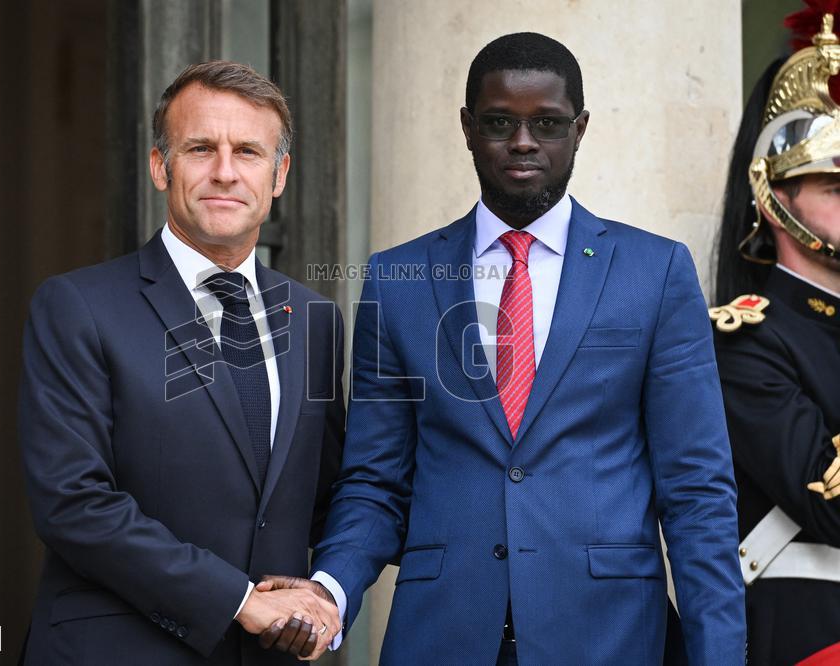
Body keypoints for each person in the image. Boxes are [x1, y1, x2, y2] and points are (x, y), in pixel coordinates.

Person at [261, 32, 746, 664]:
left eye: (546, 123)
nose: (522, 143)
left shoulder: (654, 272)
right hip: (444, 635)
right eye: (499, 123)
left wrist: (721, 655)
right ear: (466, 128)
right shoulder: (397, 279)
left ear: (580, 128)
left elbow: (697, 490)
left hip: (609, 635)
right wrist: (329, 590)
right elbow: (375, 481)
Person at [17, 61, 344, 664]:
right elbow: (73, 503)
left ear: (279, 175)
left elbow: (327, 497)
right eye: (200, 148)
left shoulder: (316, 320)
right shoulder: (77, 306)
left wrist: (328, 594)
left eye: (248, 151)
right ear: (160, 165)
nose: (225, 172)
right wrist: (239, 600)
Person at [710, 6, 840, 664]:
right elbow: (831, 506)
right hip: (814, 634)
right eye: (835, 186)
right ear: (774, 200)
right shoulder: (744, 338)